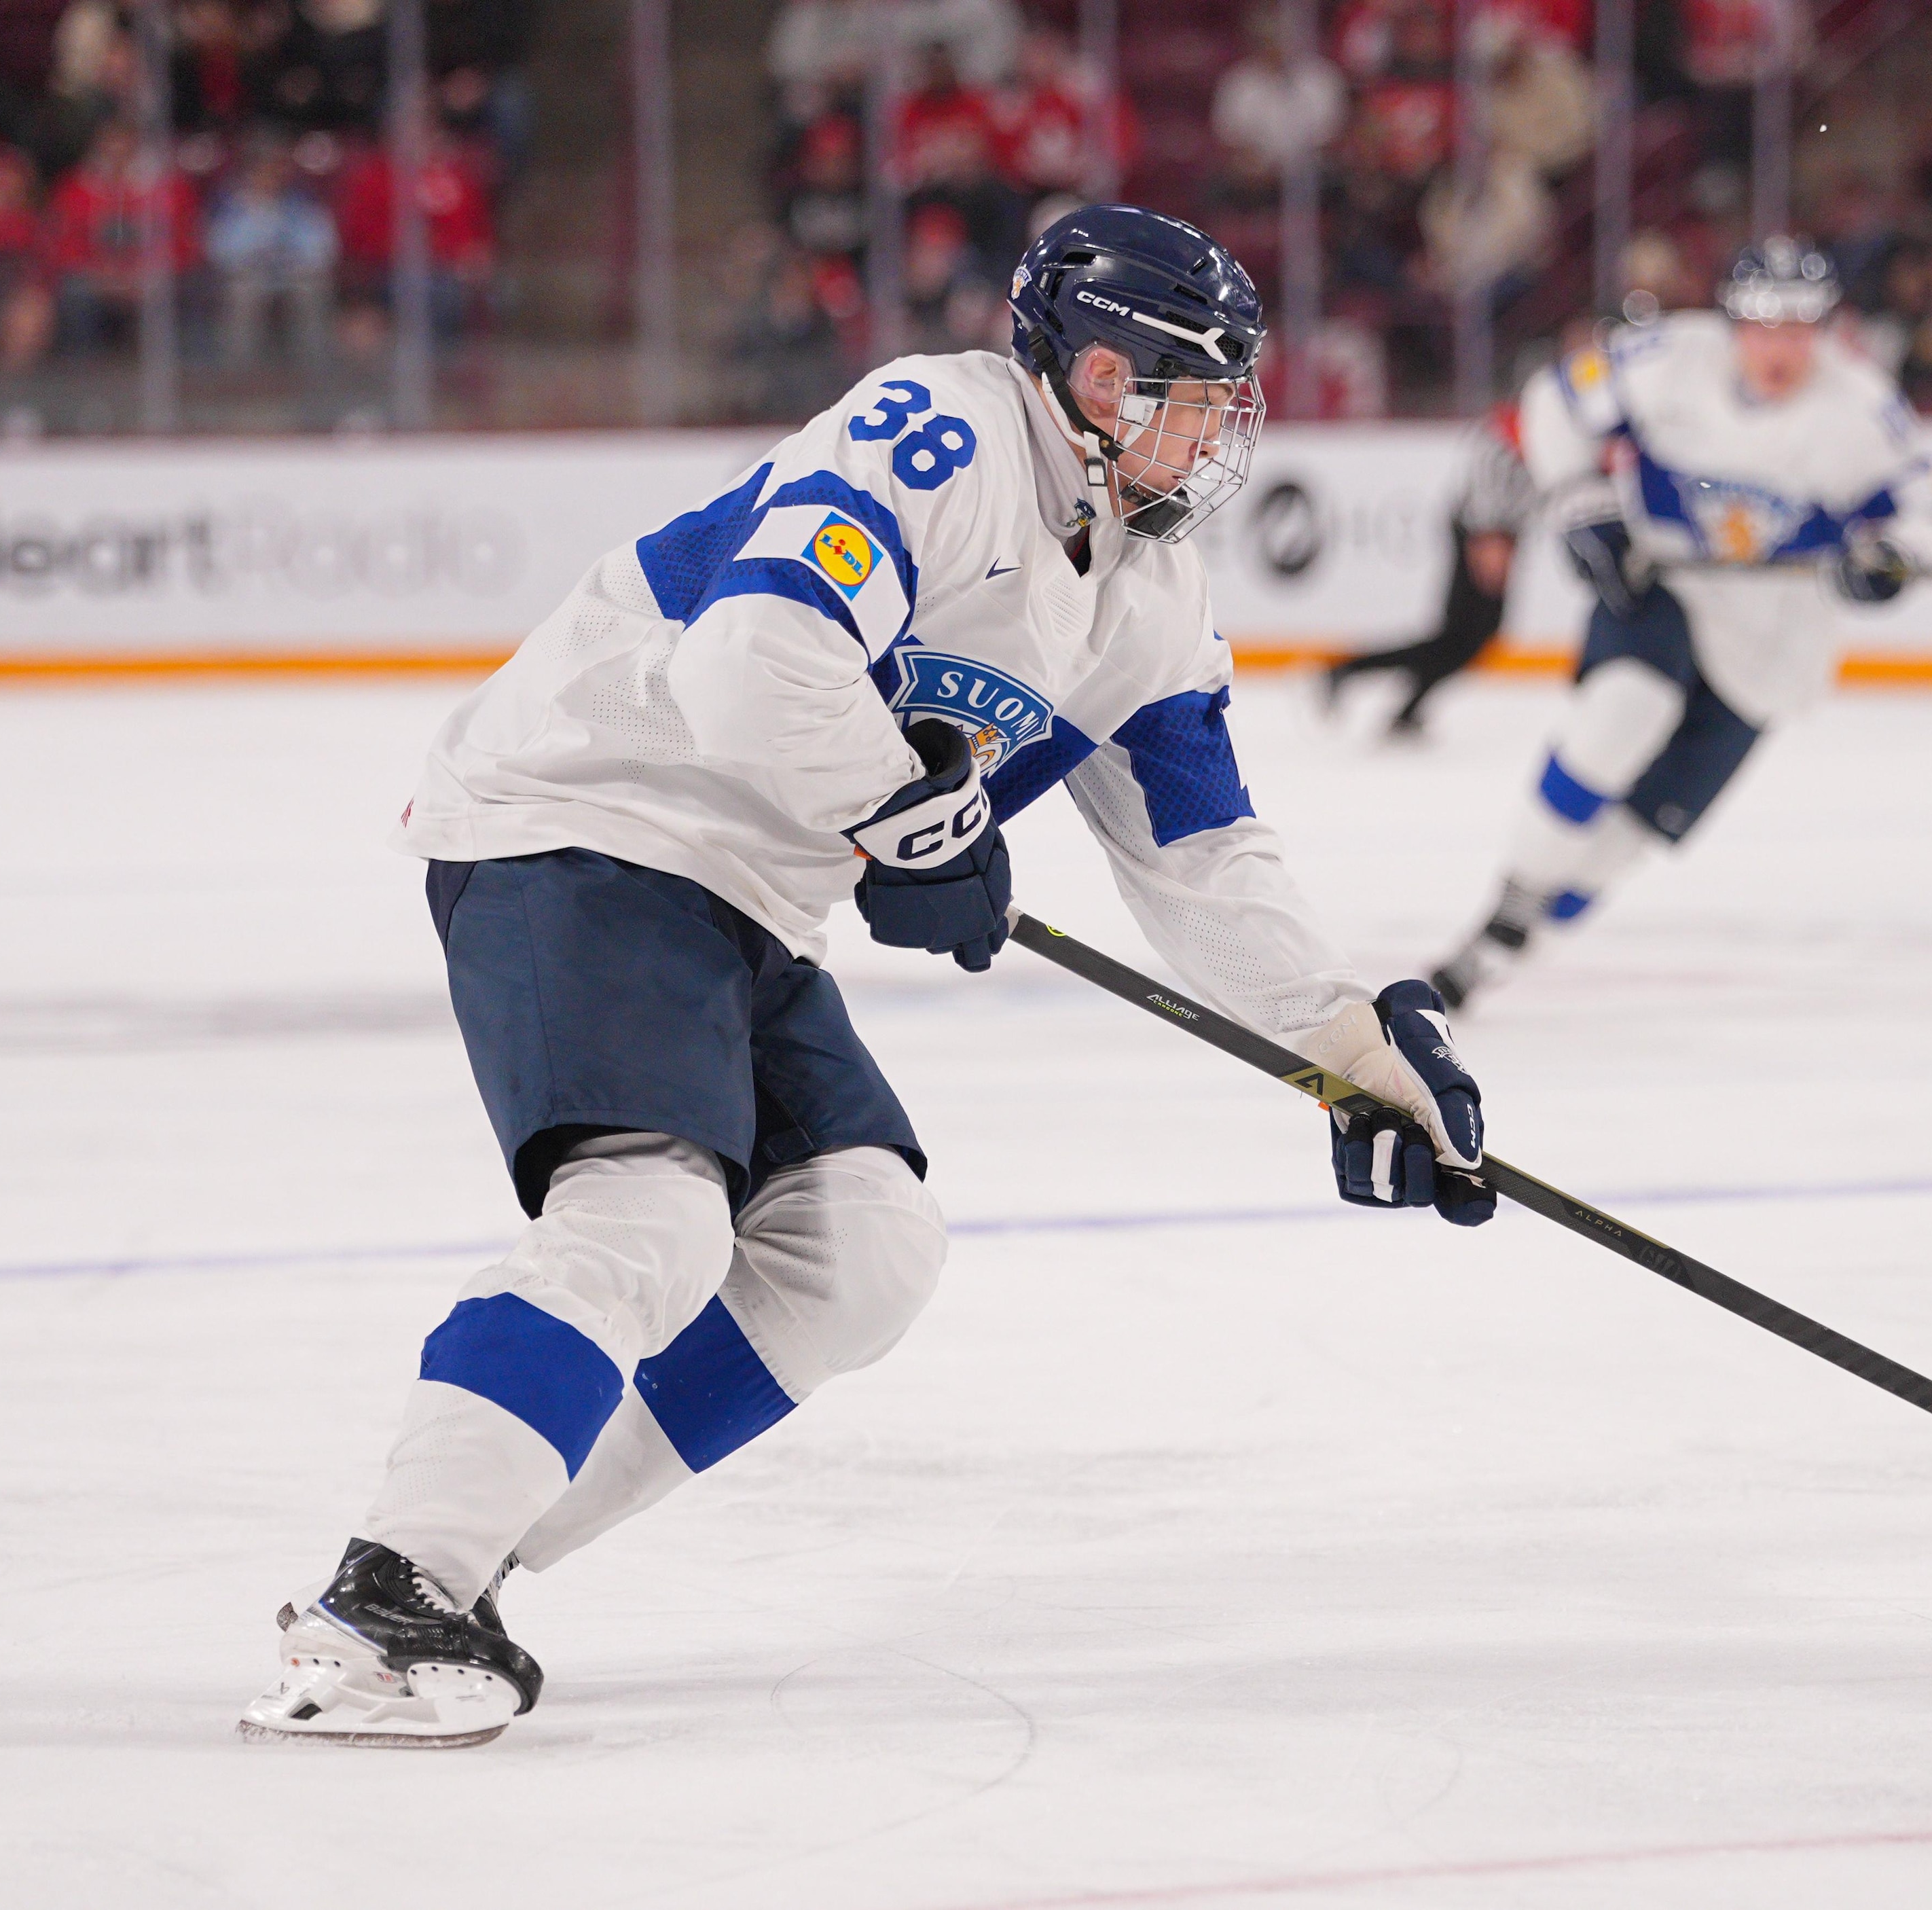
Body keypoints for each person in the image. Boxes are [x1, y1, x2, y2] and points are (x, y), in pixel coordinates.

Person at [240, 205, 1497, 1748]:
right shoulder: (940, 431)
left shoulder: (1151, 599)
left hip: (748, 894)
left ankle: (478, 1548)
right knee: (648, 1212)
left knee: (861, 1251)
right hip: (590, 809)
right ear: (1094, 375)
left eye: (1221, 400)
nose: (1209, 431)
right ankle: (387, 1596)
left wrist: (1346, 1044)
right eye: (1184, 393)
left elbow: (1202, 850)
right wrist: (912, 810)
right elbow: (749, 659)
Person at [1428, 238, 1932, 1006]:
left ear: (1824, 328)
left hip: (1772, 645)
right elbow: (1556, 398)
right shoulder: (1668, 357)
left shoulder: (1860, 409)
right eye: (1763, 325)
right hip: (1663, 586)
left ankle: (1517, 938)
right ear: (1732, 322)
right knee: (1622, 711)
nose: (1779, 347)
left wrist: (1894, 557)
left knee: (1631, 836)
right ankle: (1513, 900)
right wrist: (1579, 497)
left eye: (1799, 327)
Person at [1321, 399, 1536, 737]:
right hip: (1483, 534)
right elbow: (1490, 480)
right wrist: (1487, 541)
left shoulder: (1525, 428)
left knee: (1462, 638)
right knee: (1459, 638)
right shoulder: (1510, 435)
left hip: (1492, 533)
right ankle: (1357, 676)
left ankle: (1364, 681)